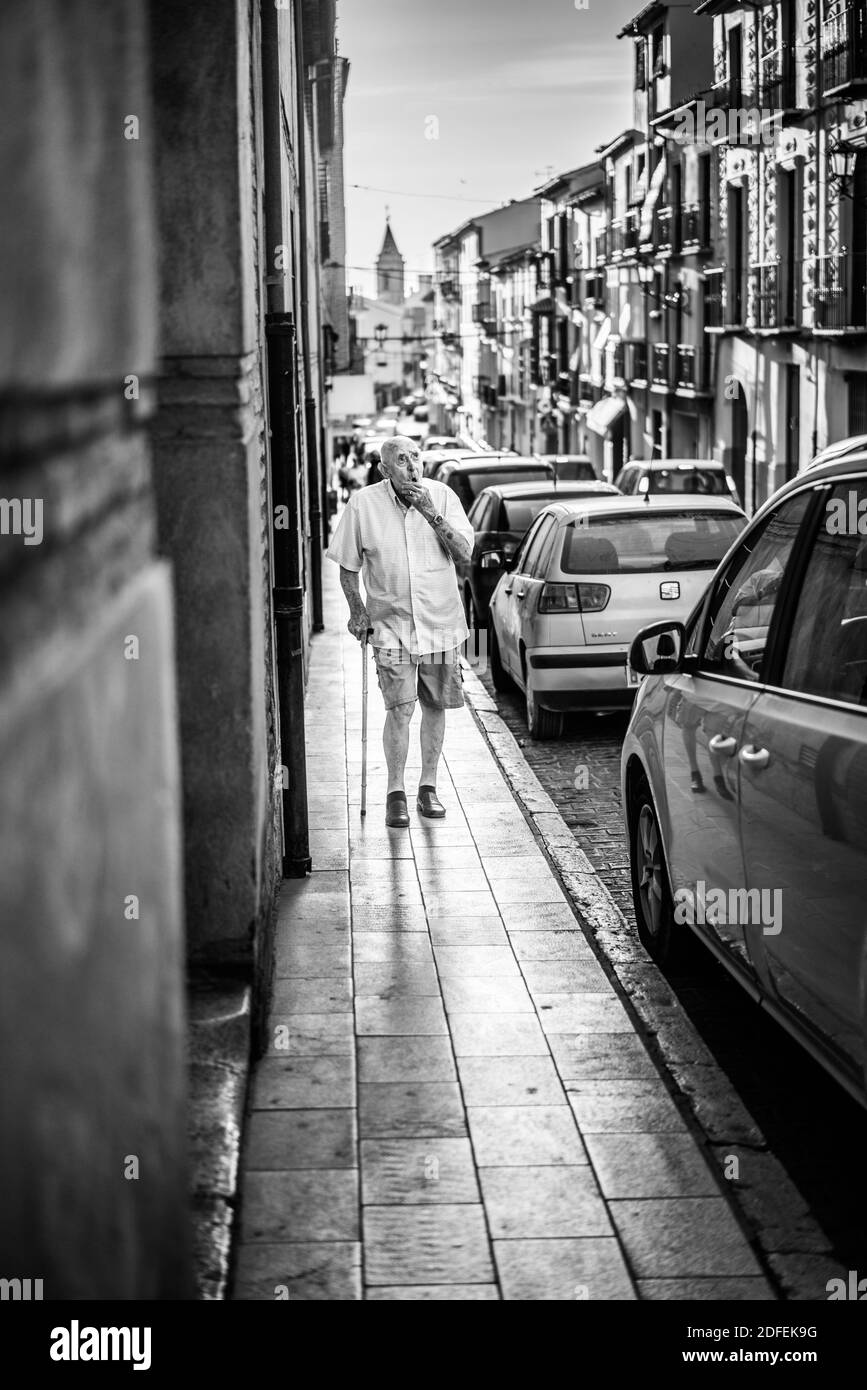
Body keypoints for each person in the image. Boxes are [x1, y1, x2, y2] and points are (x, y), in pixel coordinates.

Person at [326, 434, 474, 827]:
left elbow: (463, 554)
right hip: (390, 628)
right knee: (400, 708)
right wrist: (357, 610)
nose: (412, 467)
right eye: (403, 460)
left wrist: (430, 512)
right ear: (384, 469)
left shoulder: (442, 497)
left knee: (435, 705)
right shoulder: (363, 505)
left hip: (440, 625)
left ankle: (429, 786)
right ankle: (395, 792)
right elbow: (347, 564)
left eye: (416, 458)